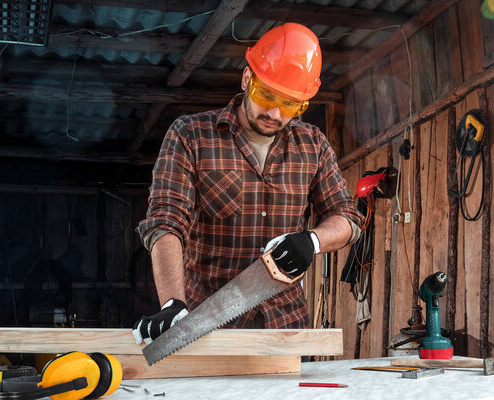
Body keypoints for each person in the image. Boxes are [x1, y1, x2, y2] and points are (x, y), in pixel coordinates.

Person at [132, 22, 363, 345]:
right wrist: (173, 302)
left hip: (286, 325)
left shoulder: (313, 144)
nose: (274, 111)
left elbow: (347, 217)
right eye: (265, 95)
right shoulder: (190, 135)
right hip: (209, 322)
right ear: (246, 79)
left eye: (289, 104)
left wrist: (311, 241)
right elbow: (166, 222)